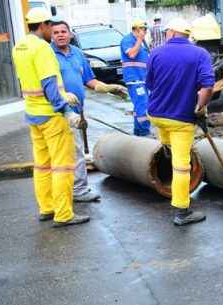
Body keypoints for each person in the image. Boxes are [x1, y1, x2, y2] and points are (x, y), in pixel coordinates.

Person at [12, 8, 89, 227]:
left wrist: (65, 94)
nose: (52, 31)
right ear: (44, 25)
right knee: (63, 166)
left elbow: (31, 81)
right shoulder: (43, 49)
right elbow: (48, 84)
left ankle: (47, 208)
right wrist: (66, 110)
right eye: (50, 26)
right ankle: (64, 214)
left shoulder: (19, 46)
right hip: (52, 116)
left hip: (33, 114)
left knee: (42, 165)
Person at [50, 19, 129, 202]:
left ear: (70, 34)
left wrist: (109, 88)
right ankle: (79, 190)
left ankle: (71, 188)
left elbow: (89, 80)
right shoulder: (49, 55)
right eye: (56, 32)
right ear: (51, 36)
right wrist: (63, 95)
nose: (60, 35)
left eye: (63, 31)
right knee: (75, 152)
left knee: (73, 151)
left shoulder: (77, 53)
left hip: (78, 112)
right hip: (61, 112)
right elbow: (49, 84)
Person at [146, 18, 215, 226]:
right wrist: (200, 107)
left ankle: (166, 148)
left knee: (167, 138)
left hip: (156, 115)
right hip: (181, 120)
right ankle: (182, 211)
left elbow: (150, 83)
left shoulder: (155, 53)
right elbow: (208, 87)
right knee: (182, 167)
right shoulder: (200, 54)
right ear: (187, 34)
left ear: (170, 33)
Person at [120, 19, 151, 136]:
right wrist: (139, 39)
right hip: (135, 79)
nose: (146, 32)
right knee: (143, 106)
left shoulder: (141, 42)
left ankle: (138, 132)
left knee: (140, 107)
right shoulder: (128, 40)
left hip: (142, 79)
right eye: (144, 29)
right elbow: (132, 54)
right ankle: (144, 132)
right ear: (137, 29)